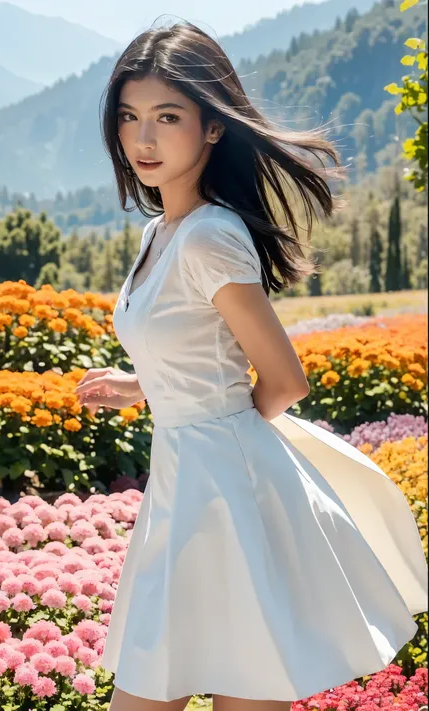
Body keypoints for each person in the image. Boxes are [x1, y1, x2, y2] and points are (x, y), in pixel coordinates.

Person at [74, 19, 428, 711]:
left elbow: (284, 379)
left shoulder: (208, 235)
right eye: (130, 116)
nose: (143, 139)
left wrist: (218, 430)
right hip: (188, 483)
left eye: (167, 117)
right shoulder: (161, 232)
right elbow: (204, 352)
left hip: (226, 492)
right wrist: (145, 386)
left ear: (212, 127)